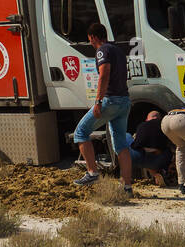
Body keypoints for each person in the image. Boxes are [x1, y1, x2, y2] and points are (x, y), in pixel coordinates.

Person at [72, 23, 133, 195]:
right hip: (124, 101)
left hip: (110, 100)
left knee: (81, 132)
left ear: (93, 37)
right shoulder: (117, 50)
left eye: (90, 39)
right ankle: (127, 187)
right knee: (121, 144)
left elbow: (104, 73)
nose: (90, 43)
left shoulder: (102, 50)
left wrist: (98, 101)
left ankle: (92, 173)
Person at [130, 111, 174, 186]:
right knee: (168, 151)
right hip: (159, 159)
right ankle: (164, 173)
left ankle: (126, 177)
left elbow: (136, 144)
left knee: (141, 151)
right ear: (160, 118)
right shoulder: (163, 124)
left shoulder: (141, 125)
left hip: (136, 159)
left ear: (147, 119)